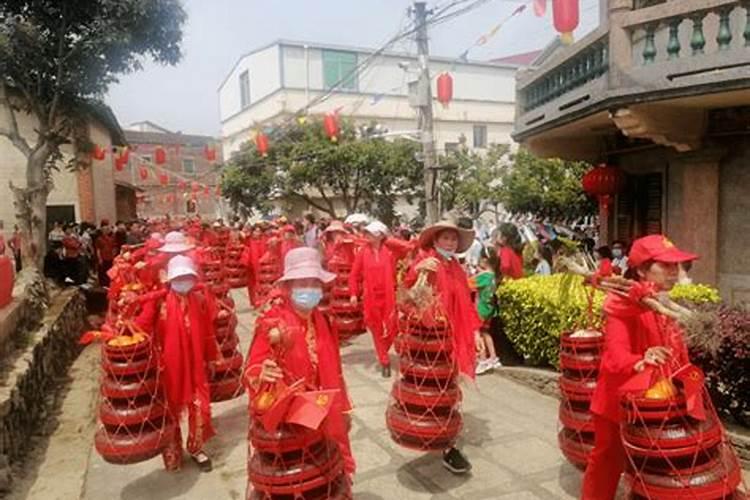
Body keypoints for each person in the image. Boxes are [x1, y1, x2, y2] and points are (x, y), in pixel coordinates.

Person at [581, 235, 697, 499]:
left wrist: (690, 387)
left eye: (675, 266)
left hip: (656, 403)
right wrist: (642, 359)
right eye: (665, 265)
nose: (674, 272)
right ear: (642, 269)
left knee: (652, 470)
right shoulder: (622, 303)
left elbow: (680, 354)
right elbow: (614, 358)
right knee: (607, 462)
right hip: (617, 403)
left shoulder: (664, 304)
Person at [243, 247, 355, 475]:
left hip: (322, 408)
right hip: (291, 418)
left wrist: (341, 405)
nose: (309, 290)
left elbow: (335, 370)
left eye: (314, 283)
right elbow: (253, 366)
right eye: (301, 283)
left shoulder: (324, 320)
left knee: (329, 468)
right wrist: (262, 372)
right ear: (287, 288)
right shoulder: (273, 323)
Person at [404, 221, 481, 475]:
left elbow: (467, 303)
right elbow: (409, 293)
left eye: (454, 239)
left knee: (451, 389)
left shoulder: (456, 267)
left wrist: (475, 331)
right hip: (430, 340)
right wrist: (418, 270)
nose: (450, 243)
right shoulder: (426, 262)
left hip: (453, 338)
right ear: (435, 241)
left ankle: (449, 444)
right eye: (446, 238)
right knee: (431, 389)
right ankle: (431, 433)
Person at [135, 255, 218, 472]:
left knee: (199, 406)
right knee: (170, 408)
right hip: (169, 366)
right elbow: (141, 327)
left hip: (196, 363)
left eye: (187, 277)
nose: (184, 281)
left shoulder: (199, 300)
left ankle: (197, 448)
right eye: (179, 277)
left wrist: (210, 358)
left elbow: (208, 332)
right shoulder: (158, 301)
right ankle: (172, 450)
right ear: (171, 280)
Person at [348, 220, 409, 378]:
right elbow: (354, 275)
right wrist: (354, 293)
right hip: (371, 297)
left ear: (380, 236)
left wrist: (388, 239)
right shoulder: (363, 251)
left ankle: (384, 349)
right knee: (375, 328)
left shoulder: (390, 251)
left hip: (390, 295)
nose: (367, 236)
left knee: (392, 327)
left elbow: (408, 248)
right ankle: (384, 360)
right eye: (367, 233)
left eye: (372, 233)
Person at [471, 248, 501, 375]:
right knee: (485, 332)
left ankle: (482, 359)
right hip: (490, 309)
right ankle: (493, 357)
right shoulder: (493, 275)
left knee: (476, 332)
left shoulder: (483, 276)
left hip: (480, 308)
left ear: (484, 259)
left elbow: (468, 283)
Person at [95, 220, 117, 287]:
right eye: (104, 229)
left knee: (110, 271)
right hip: (103, 257)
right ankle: (103, 285)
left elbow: (114, 247)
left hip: (110, 257)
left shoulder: (112, 237)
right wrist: (99, 258)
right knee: (103, 272)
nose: (106, 231)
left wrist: (114, 255)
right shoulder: (99, 239)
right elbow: (98, 249)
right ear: (101, 230)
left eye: (107, 229)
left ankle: (109, 283)